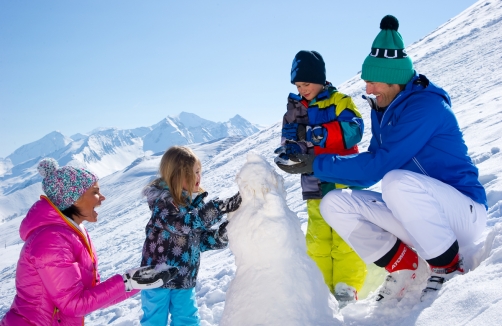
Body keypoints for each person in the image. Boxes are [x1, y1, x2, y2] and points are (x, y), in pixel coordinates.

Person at [276, 15, 487, 303]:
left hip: (462, 214)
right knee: (335, 203)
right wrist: (309, 162)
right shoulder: (384, 109)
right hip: (419, 216)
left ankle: (448, 265)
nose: (368, 89)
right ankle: (404, 266)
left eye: (373, 82)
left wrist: (316, 164)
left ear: (394, 80)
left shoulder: (426, 107)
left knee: (395, 180)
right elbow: (372, 159)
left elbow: (378, 167)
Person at [0, 158, 177, 326]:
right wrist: (128, 282)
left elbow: (90, 298)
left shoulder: (72, 233)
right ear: (74, 199)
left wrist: (138, 282)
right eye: (95, 192)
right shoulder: (51, 242)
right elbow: (74, 305)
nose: (102, 197)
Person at [274, 50, 367, 304]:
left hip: (342, 180)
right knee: (318, 240)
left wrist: (317, 134)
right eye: (298, 85)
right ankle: (322, 290)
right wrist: (290, 151)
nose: (302, 89)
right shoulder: (293, 112)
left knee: (345, 235)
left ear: (320, 79)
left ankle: (347, 287)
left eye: (306, 83)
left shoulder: (339, 101)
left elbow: (354, 130)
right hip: (314, 184)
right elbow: (289, 140)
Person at [139, 146, 241, 325]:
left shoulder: (189, 207)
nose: (199, 177)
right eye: (195, 172)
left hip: (184, 277)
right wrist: (219, 207)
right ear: (179, 175)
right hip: (156, 278)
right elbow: (183, 225)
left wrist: (221, 235)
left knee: (187, 319)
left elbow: (198, 240)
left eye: (199, 171)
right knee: (154, 320)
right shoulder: (163, 205)